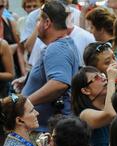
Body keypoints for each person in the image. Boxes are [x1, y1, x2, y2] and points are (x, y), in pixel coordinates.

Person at [19, 0, 80, 133]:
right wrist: (29, 80)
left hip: (44, 130)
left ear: (47, 23)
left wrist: (25, 102)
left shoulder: (57, 48)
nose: (37, 24)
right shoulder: (62, 44)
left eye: (39, 20)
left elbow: (59, 83)